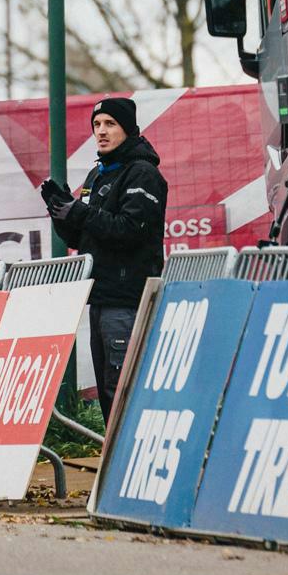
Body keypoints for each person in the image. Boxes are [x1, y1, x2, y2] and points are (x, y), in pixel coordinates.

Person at [39, 96, 167, 428]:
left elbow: (130, 230)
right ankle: (113, 464)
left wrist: (80, 212)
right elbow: (80, 240)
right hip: (101, 298)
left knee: (124, 387)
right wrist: (61, 211)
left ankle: (130, 461)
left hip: (128, 299)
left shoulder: (143, 172)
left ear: (128, 128)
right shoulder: (98, 174)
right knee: (108, 392)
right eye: (97, 125)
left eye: (110, 124)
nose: (101, 132)